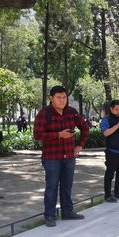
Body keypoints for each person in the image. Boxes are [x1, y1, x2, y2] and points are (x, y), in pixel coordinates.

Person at [33, 85, 90, 227]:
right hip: (51, 157)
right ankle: (49, 216)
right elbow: (37, 135)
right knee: (51, 186)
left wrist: (80, 145)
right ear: (51, 98)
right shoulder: (44, 113)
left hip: (69, 156)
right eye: (58, 97)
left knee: (67, 186)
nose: (62, 100)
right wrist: (59, 135)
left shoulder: (72, 112)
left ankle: (68, 212)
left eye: (64, 97)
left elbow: (85, 128)